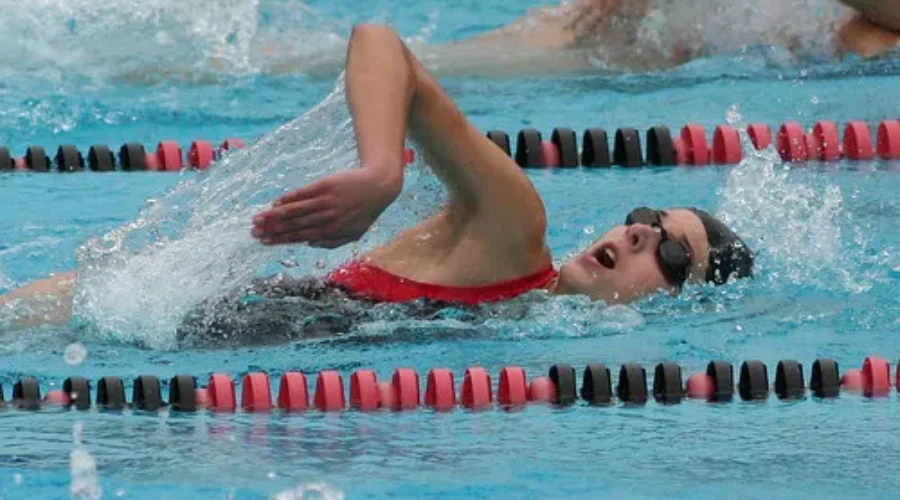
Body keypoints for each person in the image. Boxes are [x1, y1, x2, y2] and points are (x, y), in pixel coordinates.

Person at [1, 24, 753, 343]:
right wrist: (381, 172)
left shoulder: (524, 323)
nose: (640, 230)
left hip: (179, 343)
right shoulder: (514, 228)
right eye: (648, 215)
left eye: (673, 255)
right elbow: (381, 42)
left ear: (683, 307)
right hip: (156, 318)